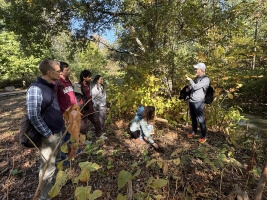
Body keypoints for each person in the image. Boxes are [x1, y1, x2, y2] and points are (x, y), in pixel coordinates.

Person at [26, 59, 64, 200]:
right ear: (49, 72)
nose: (60, 73)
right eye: (58, 71)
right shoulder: (35, 89)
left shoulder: (51, 86)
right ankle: (45, 196)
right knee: (48, 166)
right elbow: (33, 116)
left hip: (57, 131)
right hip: (48, 135)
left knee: (57, 160)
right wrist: (48, 134)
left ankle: (53, 188)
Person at [52, 61, 77, 160]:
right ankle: (62, 160)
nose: (69, 71)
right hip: (63, 116)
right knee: (62, 139)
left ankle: (70, 156)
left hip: (72, 114)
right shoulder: (56, 83)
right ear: (61, 72)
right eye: (67, 70)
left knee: (70, 137)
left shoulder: (69, 81)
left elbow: (72, 97)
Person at [73, 70, 102, 138]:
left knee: (97, 122)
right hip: (83, 109)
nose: (90, 78)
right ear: (84, 77)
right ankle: (84, 140)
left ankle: (99, 136)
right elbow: (77, 98)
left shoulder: (89, 85)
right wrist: (80, 108)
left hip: (90, 107)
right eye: (89, 77)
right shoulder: (77, 86)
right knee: (83, 127)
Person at [186, 62, 210, 143]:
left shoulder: (206, 79)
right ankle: (194, 132)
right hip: (192, 101)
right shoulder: (197, 78)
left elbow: (196, 86)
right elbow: (193, 86)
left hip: (199, 102)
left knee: (200, 119)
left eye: (197, 69)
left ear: (201, 70)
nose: (195, 70)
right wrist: (189, 88)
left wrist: (190, 81)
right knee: (193, 118)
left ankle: (203, 136)